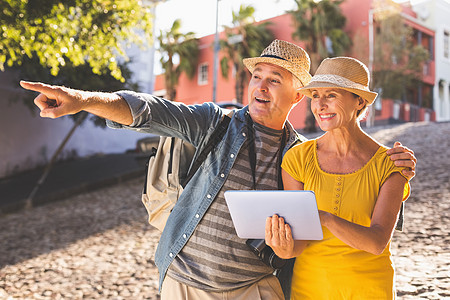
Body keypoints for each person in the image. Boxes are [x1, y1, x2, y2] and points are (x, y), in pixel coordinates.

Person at [20, 40, 416, 300]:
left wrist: (396, 166)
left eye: (273, 79)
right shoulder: (216, 123)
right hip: (186, 283)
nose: (260, 86)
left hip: (255, 288)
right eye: (256, 76)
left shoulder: (297, 154)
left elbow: (364, 223)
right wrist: (83, 99)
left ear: (297, 95)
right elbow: (154, 111)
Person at [265, 56, 412, 299]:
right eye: (315, 96)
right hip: (311, 287)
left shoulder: (391, 163)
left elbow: (377, 242)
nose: (319, 105)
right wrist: (281, 245)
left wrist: (325, 218)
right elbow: (297, 246)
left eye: (331, 95)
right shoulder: (297, 159)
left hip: (370, 289)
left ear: (359, 101)